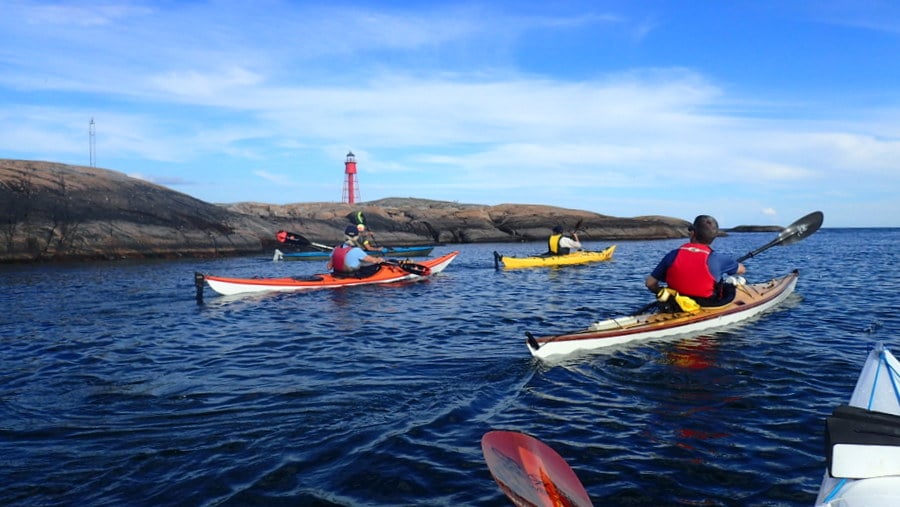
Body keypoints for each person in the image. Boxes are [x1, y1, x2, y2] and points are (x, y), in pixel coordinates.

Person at [645, 215, 746, 307]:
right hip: (707, 304)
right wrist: (732, 265)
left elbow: (650, 283)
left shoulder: (672, 255)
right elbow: (741, 270)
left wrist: (662, 292)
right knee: (728, 287)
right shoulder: (720, 259)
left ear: (692, 233)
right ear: (713, 236)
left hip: (675, 302)